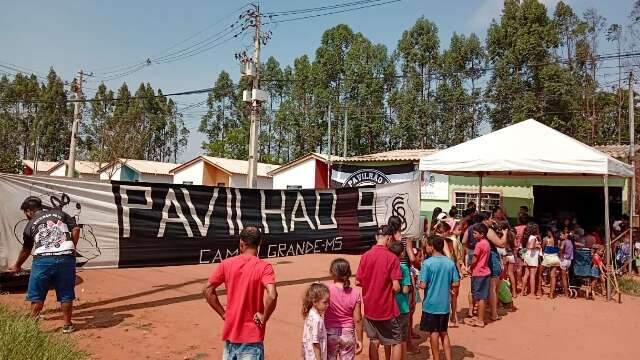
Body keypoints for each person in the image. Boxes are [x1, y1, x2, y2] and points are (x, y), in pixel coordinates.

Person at [7, 196, 80, 334]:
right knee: (66, 293)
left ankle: (32, 327)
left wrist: (17, 265)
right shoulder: (60, 213)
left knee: (37, 294)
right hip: (66, 257)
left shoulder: (30, 224)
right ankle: (67, 325)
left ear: (29, 211)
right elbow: (76, 229)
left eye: (26, 213)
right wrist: (72, 247)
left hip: (43, 261)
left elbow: (26, 250)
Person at [203, 227, 278, 360]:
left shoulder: (226, 264)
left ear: (241, 243)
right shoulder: (264, 267)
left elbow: (207, 290)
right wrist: (264, 317)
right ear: (259, 243)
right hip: (252, 338)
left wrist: (223, 314)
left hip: (231, 336)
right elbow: (272, 295)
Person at [356, 225, 402, 360]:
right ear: (389, 238)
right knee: (396, 341)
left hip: (370, 308)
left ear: (377, 237)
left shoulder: (365, 256)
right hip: (387, 309)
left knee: (373, 340)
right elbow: (396, 287)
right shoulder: (392, 258)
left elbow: (358, 281)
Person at [419, 236, 460, 360]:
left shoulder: (427, 263)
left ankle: (436, 358)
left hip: (431, 305)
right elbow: (456, 283)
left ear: (431, 246)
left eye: (427, 245)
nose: (425, 248)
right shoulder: (449, 262)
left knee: (434, 333)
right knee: (444, 332)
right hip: (444, 305)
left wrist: (417, 283)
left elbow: (423, 284)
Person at [324, 258, 363, 360]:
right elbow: (358, 319)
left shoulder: (325, 291)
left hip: (329, 333)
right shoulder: (355, 293)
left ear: (332, 272)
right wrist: (360, 340)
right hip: (348, 335)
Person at [389, 242, 411, 360]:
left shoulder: (387, 266)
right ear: (402, 253)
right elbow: (406, 290)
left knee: (390, 338)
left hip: (389, 307)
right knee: (401, 339)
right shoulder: (404, 268)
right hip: (402, 307)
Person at [465, 223, 490, 328]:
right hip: (485, 272)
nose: (474, 235)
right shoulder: (486, 243)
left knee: (479, 297)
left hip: (478, 272)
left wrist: (469, 266)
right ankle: (480, 318)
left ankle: (480, 320)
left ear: (482, 234)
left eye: (475, 233)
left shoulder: (479, 245)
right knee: (482, 297)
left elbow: (474, 259)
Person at [302, 283, 330, 360]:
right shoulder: (317, 319)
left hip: (309, 355)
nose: (328, 305)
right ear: (314, 302)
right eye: (325, 302)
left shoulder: (310, 313)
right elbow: (315, 342)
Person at [521, 223, 541, 298]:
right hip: (532, 258)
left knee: (526, 274)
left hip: (528, 256)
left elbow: (527, 246)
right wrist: (537, 245)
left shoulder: (529, 237)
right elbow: (530, 246)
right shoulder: (533, 237)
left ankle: (523, 291)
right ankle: (532, 293)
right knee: (532, 275)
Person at [539, 229, 560, 299]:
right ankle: (551, 294)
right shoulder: (558, 241)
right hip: (556, 258)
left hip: (547, 258)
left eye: (548, 231)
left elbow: (542, 247)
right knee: (552, 276)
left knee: (540, 273)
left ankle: (539, 291)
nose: (547, 232)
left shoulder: (545, 239)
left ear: (550, 232)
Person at [559, 230, 574, 297]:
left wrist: (560, 251)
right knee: (565, 276)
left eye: (562, 235)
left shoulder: (564, 241)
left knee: (563, 277)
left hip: (564, 260)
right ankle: (564, 289)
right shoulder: (570, 242)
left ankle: (566, 293)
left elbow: (561, 248)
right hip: (569, 261)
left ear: (566, 236)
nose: (560, 236)